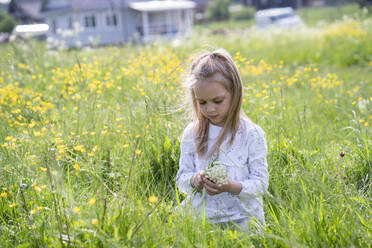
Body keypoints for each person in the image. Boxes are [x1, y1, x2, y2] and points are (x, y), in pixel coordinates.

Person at [176, 49, 269, 232]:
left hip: (242, 217)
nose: (210, 109)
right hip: (204, 216)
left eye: (217, 101)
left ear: (235, 93)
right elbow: (181, 180)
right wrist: (196, 180)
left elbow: (261, 184)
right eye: (202, 102)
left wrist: (231, 187)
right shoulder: (192, 133)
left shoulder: (251, 134)